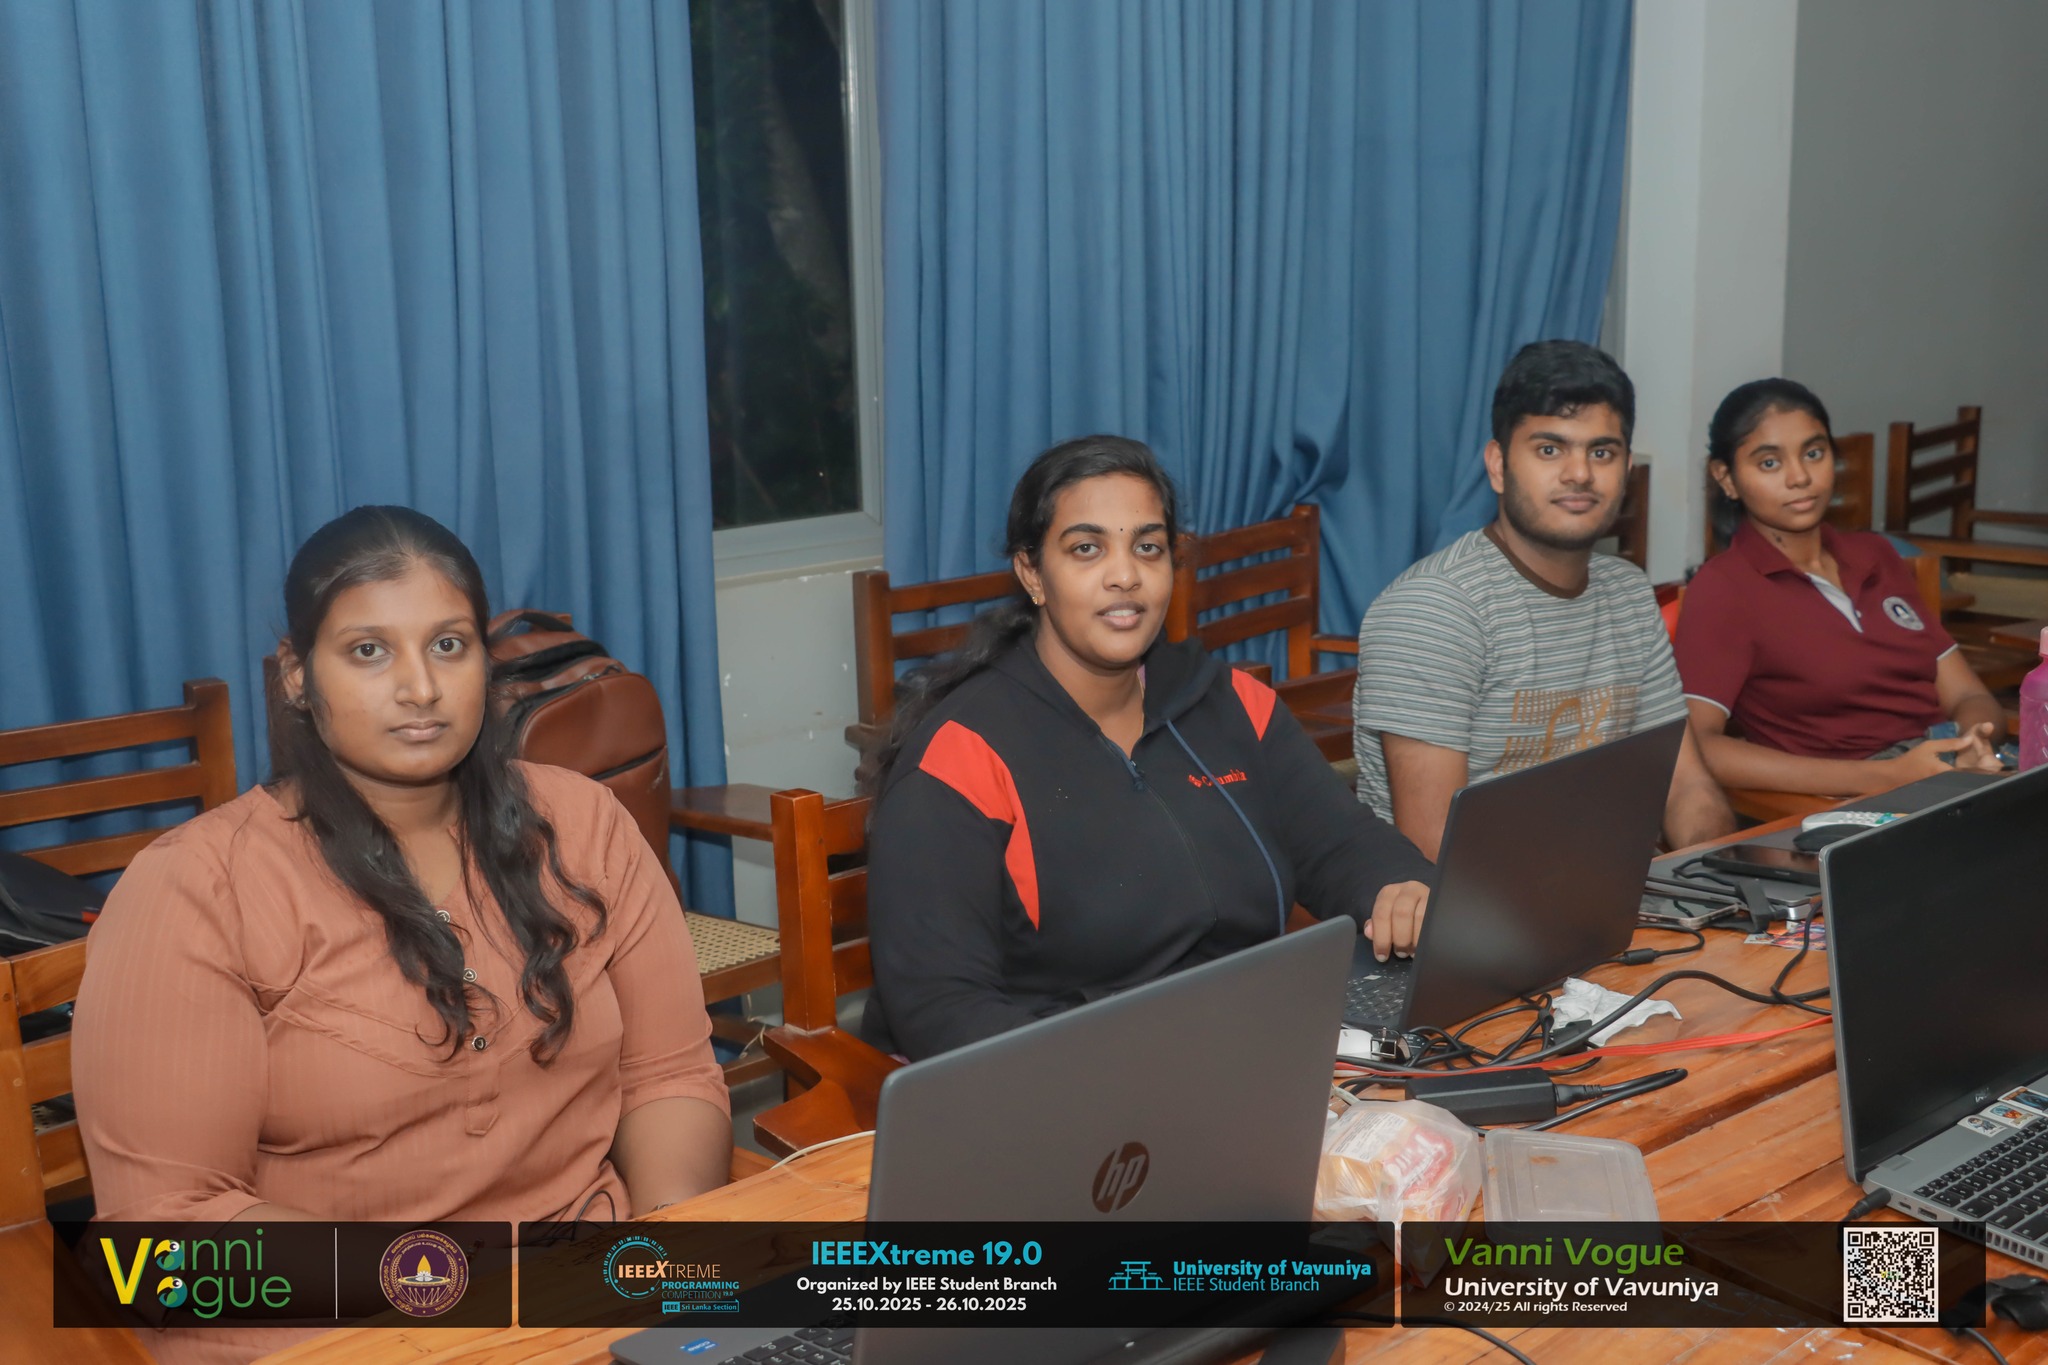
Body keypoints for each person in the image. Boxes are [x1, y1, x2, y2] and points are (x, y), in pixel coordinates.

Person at [72, 507, 730, 1364]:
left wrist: (666, 1274)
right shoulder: (196, 888)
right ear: (298, 675)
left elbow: (667, 1073)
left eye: (448, 645)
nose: (420, 687)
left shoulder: (583, 824)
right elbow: (167, 1231)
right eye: (369, 651)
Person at [862, 436, 1433, 1062]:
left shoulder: (1230, 704)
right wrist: (1130, 1071)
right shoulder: (961, 758)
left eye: (1147, 547)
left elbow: (1343, 845)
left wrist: (1400, 887)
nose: (1125, 575)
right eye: (1086, 548)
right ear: (1032, 573)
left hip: (1247, 1043)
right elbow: (940, 1009)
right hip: (1073, 1078)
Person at [1350, 340, 1734, 859]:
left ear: (1626, 469)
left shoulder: (1627, 594)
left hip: (1615, 891)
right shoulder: (1434, 610)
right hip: (1464, 902)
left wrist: (1713, 878)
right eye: (1550, 450)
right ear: (1498, 465)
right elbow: (1436, 847)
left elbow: (1685, 786)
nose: (1580, 474)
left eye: (1602, 452)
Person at [1675, 378, 2004, 795]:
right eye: (1770, 463)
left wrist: (1971, 741)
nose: (1800, 477)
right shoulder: (1724, 587)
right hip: (1855, 795)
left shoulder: (1876, 555)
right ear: (1726, 477)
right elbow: (1699, 746)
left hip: (1947, 767)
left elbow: (1968, 695)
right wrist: (1889, 776)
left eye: (1813, 453)